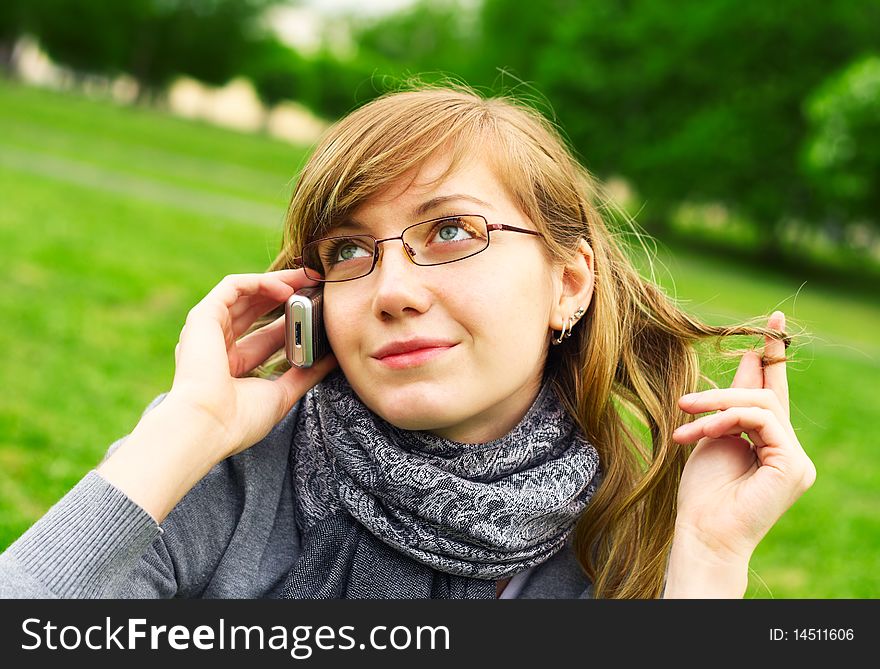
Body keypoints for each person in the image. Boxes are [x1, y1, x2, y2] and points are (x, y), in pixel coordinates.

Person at [0, 83, 815, 599]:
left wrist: (706, 562)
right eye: (349, 252)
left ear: (568, 283)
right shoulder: (225, 477)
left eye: (453, 230)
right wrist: (183, 433)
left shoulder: (624, 539)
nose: (391, 291)